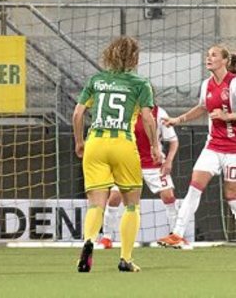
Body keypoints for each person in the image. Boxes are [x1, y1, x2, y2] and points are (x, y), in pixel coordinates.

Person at [72, 36, 158, 273]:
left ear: (109, 54)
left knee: (96, 204)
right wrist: (154, 146)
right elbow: (148, 118)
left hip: (95, 143)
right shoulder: (140, 83)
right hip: (122, 143)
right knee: (132, 205)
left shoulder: (96, 80)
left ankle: (89, 241)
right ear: (134, 58)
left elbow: (77, 114)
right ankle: (125, 258)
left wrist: (79, 142)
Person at [158, 45, 236, 249]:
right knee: (194, 187)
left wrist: (227, 116)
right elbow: (202, 107)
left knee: (231, 195)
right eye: (207, 55)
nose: (208, 58)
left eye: (214, 55)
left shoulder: (234, 83)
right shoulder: (206, 84)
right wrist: (178, 119)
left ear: (225, 61)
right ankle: (177, 234)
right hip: (212, 147)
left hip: (234, 150)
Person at [100, 92, 179, 249]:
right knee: (114, 198)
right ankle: (106, 238)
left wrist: (169, 161)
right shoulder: (125, 112)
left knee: (169, 196)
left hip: (154, 164)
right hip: (129, 163)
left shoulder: (159, 113)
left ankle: (175, 235)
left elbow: (173, 141)